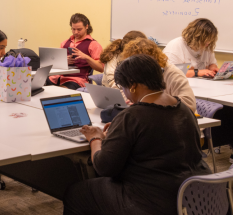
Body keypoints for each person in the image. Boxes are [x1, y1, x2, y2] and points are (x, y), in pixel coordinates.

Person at [64, 55, 210, 215]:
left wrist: (95, 138)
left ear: (132, 85)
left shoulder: (132, 116)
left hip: (151, 200)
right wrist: (119, 134)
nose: (124, 92)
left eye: (123, 86)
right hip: (196, 195)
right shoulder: (184, 109)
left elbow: (104, 167)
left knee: (76, 193)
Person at [120, 38, 196, 113]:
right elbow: (125, 93)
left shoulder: (173, 74)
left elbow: (189, 105)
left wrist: (148, 105)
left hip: (174, 120)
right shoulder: (139, 76)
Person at [47, 13, 104, 90]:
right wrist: (64, 61)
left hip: (76, 80)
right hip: (57, 78)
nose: (76, 32)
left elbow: (101, 68)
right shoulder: (64, 43)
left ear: (87, 26)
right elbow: (54, 64)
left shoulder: (94, 45)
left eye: (79, 29)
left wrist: (86, 57)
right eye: (73, 29)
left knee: (59, 91)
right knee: (35, 87)